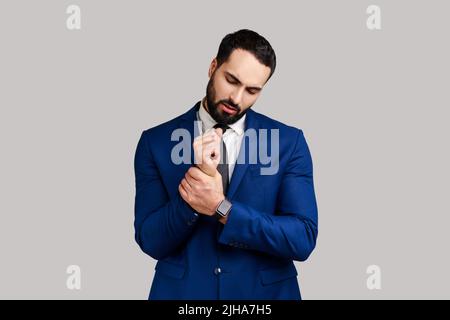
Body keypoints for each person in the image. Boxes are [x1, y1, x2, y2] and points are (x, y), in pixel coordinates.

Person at [134, 29, 318, 300]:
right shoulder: (156, 142)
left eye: (252, 90)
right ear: (213, 67)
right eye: (231, 80)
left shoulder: (288, 142)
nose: (237, 98)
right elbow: (150, 241)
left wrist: (222, 208)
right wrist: (192, 198)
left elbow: (302, 239)